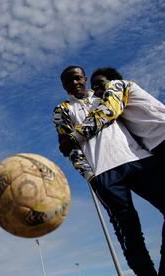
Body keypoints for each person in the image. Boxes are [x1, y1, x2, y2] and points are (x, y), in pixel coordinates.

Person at [53, 65, 165, 275]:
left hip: (138, 159)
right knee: (129, 232)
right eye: (69, 81)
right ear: (64, 86)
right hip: (104, 172)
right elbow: (69, 148)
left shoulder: (104, 94)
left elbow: (114, 113)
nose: (74, 83)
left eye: (77, 78)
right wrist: (90, 176)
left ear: (84, 78)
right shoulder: (62, 110)